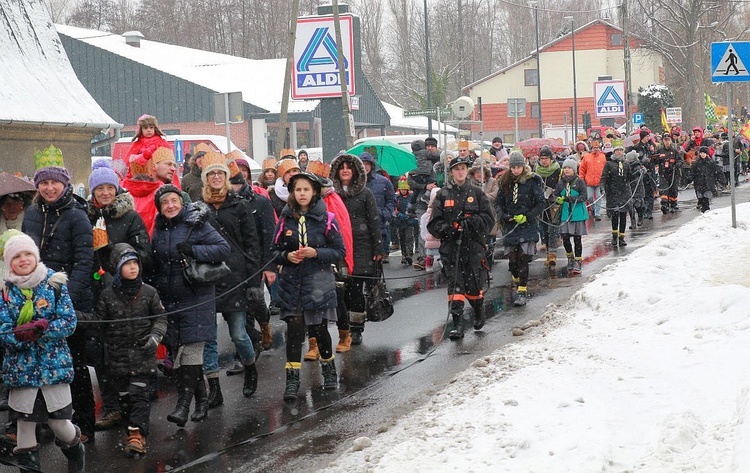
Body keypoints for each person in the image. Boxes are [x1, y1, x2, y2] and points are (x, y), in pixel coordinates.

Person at [22, 145, 96, 443]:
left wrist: (65, 298)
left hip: (68, 300)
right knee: (38, 365)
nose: (49, 187)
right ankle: (43, 423)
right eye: (44, 182)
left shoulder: (77, 215)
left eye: (55, 182)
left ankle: (84, 423)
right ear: (37, 185)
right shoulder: (32, 212)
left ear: (65, 184)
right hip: (36, 299)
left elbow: (84, 261)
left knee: (73, 366)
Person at [0, 231, 85, 472]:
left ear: (36, 256)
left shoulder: (54, 284)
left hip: (53, 368)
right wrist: (20, 336)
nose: (24, 259)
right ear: (9, 262)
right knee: (24, 427)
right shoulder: (4, 292)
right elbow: (3, 330)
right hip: (21, 370)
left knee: (59, 424)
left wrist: (43, 329)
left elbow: (68, 322)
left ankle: (76, 452)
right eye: (17, 256)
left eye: (28, 253)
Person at [151, 185, 230, 427]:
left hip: (197, 295)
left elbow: (222, 249)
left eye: (174, 201)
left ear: (182, 202)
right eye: (165, 203)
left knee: (192, 352)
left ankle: (183, 406)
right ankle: (203, 399)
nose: (170, 206)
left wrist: (193, 250)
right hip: (171, 299)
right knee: (179, 354)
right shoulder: (160, 229)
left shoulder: (197, 223)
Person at [87, 159, 152, 432]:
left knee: (129, 350)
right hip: (96, 291)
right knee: (103, 353)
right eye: (99, 188)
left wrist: (113, 250)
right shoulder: (86, 216)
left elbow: (144, 255)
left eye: (109, 187)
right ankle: (112, 407)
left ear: (116, 189)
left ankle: (133, 405)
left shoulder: (130, 217)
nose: (104, 193)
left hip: (126, 293)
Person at [272, 172, 346, 401]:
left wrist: (317, 253)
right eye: (298, 190)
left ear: (314, 192)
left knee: (319, 329)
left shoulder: (327, 219)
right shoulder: (285, 219)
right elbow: (273, 252)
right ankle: (292, 381)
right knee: (294, 331)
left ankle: (329, 370)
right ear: (292, 193)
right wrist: (286, 256)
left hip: (318, 281)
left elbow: (339, 252)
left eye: (306, 189)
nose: (302, 193)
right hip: (292, 283)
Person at [198, 152, 260, 406]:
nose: (215, 177)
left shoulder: (239, 205)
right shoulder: (198, 206)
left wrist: (254, 282)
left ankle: (250, 366)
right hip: (209, 278)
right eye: (211, 173)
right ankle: (215, 388)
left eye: (219, 173)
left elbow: (252, 244)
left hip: (235, 277)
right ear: (205, 178)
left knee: (239, 334)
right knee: (209, 338)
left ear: (225, 177)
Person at [93, 243, 166, 456]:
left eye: (135, 262)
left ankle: (137, 435)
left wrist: (155, 337)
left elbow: (161, 318)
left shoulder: (150, 292)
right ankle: (131, 430)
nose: (133, 267)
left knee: (139, 395)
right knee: (125, 399)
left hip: (143, 356)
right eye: (127, 264)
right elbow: (99, 322)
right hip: (117, 359)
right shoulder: (107, 295)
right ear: (117, 268)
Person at [427, 156, 495, 339]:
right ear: (451, 172)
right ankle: (457, 324)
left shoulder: (477, 194)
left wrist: (471, 223)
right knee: (455, 285)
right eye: (456, 169)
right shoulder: (442, 195)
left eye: (463, 168)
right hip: (451, 248)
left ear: (467, 171)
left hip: (473, 247)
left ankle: (478, 311)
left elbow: (489, 220)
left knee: (473, 285)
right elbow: (433, 223)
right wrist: (449, 230)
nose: (460, 171)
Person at [330, 153, 382, 345]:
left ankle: (357, 328)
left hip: (361, 246)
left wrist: (377, 248)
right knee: (340, 291)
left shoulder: (365, 194)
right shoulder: (331, 195)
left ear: (355, 171)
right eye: (342, 167)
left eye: (349, 167)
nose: (345, 170)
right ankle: (344, 328)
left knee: (355, 289)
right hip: (339, 246)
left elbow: (373, 221)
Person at [303, 160, 354, 356]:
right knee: (309, 302)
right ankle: (313, 342)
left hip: (331, 258)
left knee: (336, 299)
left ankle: (344, 334)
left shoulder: (333, 200)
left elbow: (342, 233)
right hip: (309, 261)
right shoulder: (301, 203)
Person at [494, 151, 545, 306]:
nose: (516, 170)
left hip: (527, 225)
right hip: (510, 225)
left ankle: (522, 290)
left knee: (523, 257)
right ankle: (516, 279)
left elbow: (541, 202)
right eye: (513, 167)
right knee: (512, 260)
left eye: (519, 167)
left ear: (524, 166)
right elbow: (498, 203)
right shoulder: (505, 182)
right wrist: (505, 216)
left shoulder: (532, 181)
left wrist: (528, 215)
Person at [359, 152, 396, 263]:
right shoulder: (355, 182)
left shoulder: (384, 182)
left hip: (379, 222)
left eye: (367, 164)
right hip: (359, 223)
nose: (365, 167)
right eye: (362, 163)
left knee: (378, 256)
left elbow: (391, 200)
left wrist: (385, 213)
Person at [553, 158, 589, 273]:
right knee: (566, 238)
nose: (566, 170)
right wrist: (557, 199)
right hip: (565, 214)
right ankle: (570, 258)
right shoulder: (561, 182)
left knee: (577, 239)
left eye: (569, 168)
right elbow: (555, 195)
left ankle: (578, 260)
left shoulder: (579, 182)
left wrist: (570, 199)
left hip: (577, 214)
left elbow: (584, 197)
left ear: (574, 169)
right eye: (565, 168)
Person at [531, 146, 560, 270]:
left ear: (551, 159)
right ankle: (548, 251)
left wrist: (554, 191)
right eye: (542, 158)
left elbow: (561, 185)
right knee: (543, 227)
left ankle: (552, 254)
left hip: (553, 202)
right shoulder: (536, 170)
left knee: (552, 228)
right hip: (540, 202)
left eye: (546, 158)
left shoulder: (558, 170)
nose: (544, 161)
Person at [601, 146, 632, 247]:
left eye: (621, 150)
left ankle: (621, 237)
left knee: (623, 215)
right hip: (613, 191)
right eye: (617, 150)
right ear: (614, 152)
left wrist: (640, 171)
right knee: (615, 215)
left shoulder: (626, 163)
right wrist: (602, 187)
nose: (619, 152)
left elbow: (630, 177)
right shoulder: (609, 164)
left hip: (624, 192)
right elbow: (604, 177)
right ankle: (614, 236)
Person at [627, 130, 657, 219]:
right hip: (640, 173)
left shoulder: (650, 146)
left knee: (650, 192)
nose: (649, 138)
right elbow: (633, 160)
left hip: (650, 171)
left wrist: (652, 152)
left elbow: (654, 159)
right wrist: (643, 161)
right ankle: (643, 211)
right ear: (643, 137)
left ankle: (649, 211)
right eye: (647, 136)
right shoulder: (636, 147)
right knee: (642, 193)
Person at [406, 139, 440, 217]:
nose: (430, 148)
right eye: (428, 146)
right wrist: (425, 186)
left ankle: (410, 206)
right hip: (421, 204)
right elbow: (410, 182)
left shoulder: (441, 161)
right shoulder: (416, 160)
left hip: (437, 201)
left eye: (432, 146)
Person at [653, 133, 684, 213]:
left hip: (673, 173)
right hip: (663, 173)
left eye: (668, 140)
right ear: (663, 141)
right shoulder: (660, 151)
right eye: (665, 140)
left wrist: (677, 164)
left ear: (670, 141)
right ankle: (664, 204)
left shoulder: (674, 151)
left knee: (673, 189)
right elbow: (655, 161)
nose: (667, 142)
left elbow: (680, 160)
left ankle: (673, 204)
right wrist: (656, 159)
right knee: (664, 189)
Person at [578, 140, 607, 220]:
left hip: (599, 182)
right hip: (589, 182)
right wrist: (581, 178)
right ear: (591, 148)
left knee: (598, 197)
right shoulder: (586, 157)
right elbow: (582, 169)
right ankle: (593, 209)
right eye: (594, 147)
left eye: (597, 147)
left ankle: (597, 213)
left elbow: (605, 168)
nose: (596, 149)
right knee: (589, 197)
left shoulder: (602, 157)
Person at [393, 176, 418, 266]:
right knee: (402, 239)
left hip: (409, 221)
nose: (403, 191)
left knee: (409, 238)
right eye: (402, 189)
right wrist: (399, 215)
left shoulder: (411, 198)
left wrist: (410, 215)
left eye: (405, 189)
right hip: (400, 221)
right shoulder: (396, 198)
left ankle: (410, 255)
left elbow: (414, 209)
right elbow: (394, 209)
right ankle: (404, 255)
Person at [692, 146, 723, 212]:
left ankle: (706, 210)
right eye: (701, 153)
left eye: (704, 153)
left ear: (707, 154)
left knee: (706, 198)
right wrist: (687, 180)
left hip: (708, 183)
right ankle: (702, 206)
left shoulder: (711, 162)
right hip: (699, 183)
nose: (702, 154)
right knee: (700, 197)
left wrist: (722, 180)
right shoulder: (696, 163)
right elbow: (692, 173)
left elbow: (717, 171)